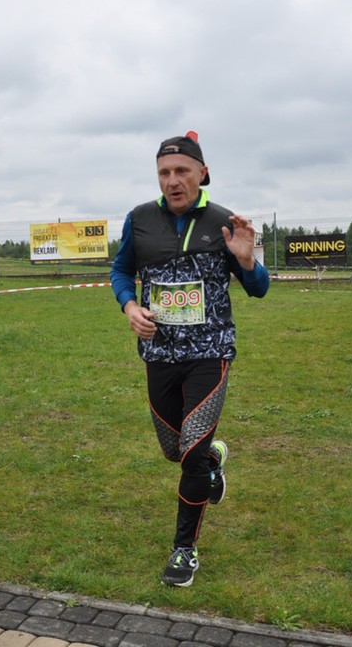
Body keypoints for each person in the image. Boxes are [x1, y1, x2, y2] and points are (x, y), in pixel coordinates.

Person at [110, 131, 270, 587]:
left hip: (209, 353)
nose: (173, 181)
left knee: (191, 453)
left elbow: (259, 288)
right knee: (174, 450)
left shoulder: (225, 223)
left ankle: (184, 549)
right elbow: (121, 270)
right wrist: (130, 306)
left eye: (182, 171)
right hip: (159, 352)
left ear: (203, 173)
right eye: (164, 172)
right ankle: (213, 460)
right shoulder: (139, 220)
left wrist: (247, 262)